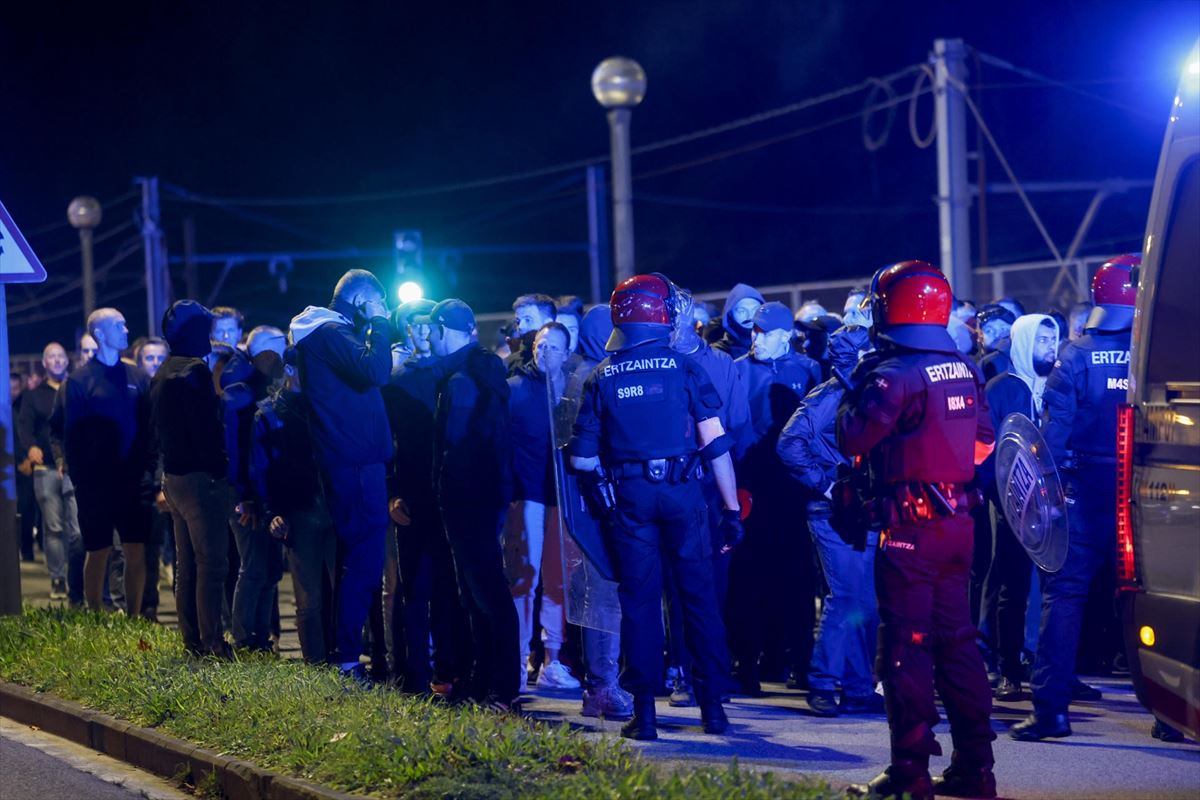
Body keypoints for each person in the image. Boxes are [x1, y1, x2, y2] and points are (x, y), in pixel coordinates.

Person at [839, 261, 997, 800]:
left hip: (909, 530)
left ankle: (909, 774)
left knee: (905, 648)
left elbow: (852, 440)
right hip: (959, 525)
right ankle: (975, 768)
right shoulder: (964, 368)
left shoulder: (892, 374)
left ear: (888, 308)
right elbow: (983, 446)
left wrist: (852, 384)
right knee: (959, 644)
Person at [569, 273, 742, 741]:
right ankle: (713, 711)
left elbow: (582, 457)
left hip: (630, 500)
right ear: (662, 315)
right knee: (699, 601)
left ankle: (644, 715)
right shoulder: (686, 368)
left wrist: (604, 496)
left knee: (640, 605)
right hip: (685, 495)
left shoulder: (602, 376)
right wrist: (731, 510)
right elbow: (716, 445)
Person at [1011, 256, 1137, 742]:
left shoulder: (1076, 355)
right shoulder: (1157, 352)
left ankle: (1051, 713)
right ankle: (1173, 716)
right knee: (1152, 601)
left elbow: (1052, 440)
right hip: (1147, 496)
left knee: (1063, 599)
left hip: (1084, 494)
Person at [290, 269, 394, 676]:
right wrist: (382, 323)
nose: (379, 313)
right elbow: (376, 371)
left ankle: (348, 654)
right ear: (363, 299)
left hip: (348, 461)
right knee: (364, 563)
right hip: (354, 463)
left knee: (356, 562)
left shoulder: (325, 333)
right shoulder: (329, 333)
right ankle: (348, 660)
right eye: (376, 304)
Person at [777, 325, 882, 717]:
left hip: (861, 510)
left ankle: (857, 687)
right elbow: (789, 443)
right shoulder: (829, 396)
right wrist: (825, 485)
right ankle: (821, 683)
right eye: (867, 348)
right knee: (845, 599)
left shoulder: (864, 396)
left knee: (864, 603)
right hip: (832, 511)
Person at [425, 298, 521, 709]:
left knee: (485, 593)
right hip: (486, 496)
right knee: (477, 593)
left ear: (446, 329)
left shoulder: (461, 380)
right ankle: (486, 681)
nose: (427, 338)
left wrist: (444, 487)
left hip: (469, 500)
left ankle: (501, 686)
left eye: (431, 330)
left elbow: (455, 446)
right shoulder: (481, 369)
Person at [728, 302, 821, 695]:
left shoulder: (808, 369)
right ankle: (747, 664)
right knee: (748, 578)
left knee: (797, 580)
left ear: (785, 335)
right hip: (752, 489)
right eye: (754, 331)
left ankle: (798, 662)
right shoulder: (738, 369)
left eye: (764, 332)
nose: (756, 338)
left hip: (793, 491)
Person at [383, 299, 473, 695]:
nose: (421, 333)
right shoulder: (398, 380)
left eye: (427, 326)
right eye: (413, 326)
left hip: (449, 494)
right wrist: (392, 493)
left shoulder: (451, 376)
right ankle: (411, 674)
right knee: (412, 589)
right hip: (413, 493)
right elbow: (387, 442)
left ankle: (449, 671)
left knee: (449, 588)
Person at [665, 288, 750, 704]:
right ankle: (683, 671)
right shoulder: (657, 361)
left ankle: (711, 673)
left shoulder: (720, 364)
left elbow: (736, 426)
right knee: (678, 585)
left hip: (712, 488)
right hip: (671, 488)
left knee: (714, 585)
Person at [50, 308, 154, 617]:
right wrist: (80, 478)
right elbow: (70, 434)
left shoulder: (137, 376)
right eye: (118, 325)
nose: (126, 329)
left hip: (134, 480)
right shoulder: (79, 381)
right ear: (100, 334)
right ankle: (94, 616)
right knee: (98, 550)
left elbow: (150, 428)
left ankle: (133, 616)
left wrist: (149, 472)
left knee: (136, 549)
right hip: (95, 483)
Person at [978, 314, 1058, 701]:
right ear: (1024, 342)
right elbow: (986, 450)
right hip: (1012, 503)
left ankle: (1054, 668)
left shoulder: (1060, 385)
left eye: (1053, 339)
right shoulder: (1001, 389)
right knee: (1013, 585)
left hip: (1055, 509)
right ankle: (1008, 668)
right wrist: (1002, 496)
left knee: (1056, 590)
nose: (1050, 347)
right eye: (1042, 340)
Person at [152, 300, 232, 657]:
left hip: (174, 477)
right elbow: (207, 430)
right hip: (200, 479)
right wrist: (222, 468)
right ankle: (213, 641)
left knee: (186, 564)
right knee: (212, 563)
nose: (211, 336)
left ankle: (192, 641)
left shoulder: (163, 371)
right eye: (206, 329)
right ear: (193, 332)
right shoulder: (194, 371)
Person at [504, 322, 580, 691]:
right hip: (528, 494)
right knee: (524, 580)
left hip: (562, 498)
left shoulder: (572, 392)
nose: (544, 352)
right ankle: (517, 662)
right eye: (539, 345)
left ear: (566, 353)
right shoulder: (515, 390)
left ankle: (552, 660)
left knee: (558, 582)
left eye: (552, 347)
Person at [252, 347, 337, 663]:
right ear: (289, 370)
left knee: (337, 590)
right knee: (309, 596)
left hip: (332, 506)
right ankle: (316, 664)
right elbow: (260, 469)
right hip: (298, 511)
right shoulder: (269, 413)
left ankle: (339, 658)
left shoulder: (324, 405)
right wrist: (271, 512)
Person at [227, 326, 287, 652]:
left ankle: (259, 638)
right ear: (266, 353)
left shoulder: (261, 389)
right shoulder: (241, 393)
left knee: (270, 571)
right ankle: (243, 640)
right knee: (253, 568)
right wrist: (243, 497)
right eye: (280, 348)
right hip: (249, 498)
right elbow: (236, 451)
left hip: (265, 495)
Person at [18, 343, 83, 603]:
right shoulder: (34, 396)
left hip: (72, 467)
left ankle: (75, 576)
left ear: (66, 361)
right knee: (54, 527)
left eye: (60, 356)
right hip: (45, 469)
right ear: (44, 363)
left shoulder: (75, 388)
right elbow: (24, 427)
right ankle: (57, 577)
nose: (56, 361)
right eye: (51, 357)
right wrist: (31, 448)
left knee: (76, 529)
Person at [711, 283, 764, 360]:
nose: (750, 316)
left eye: (755, 309)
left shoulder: (778, 344)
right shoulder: (718, 353)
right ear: (730, 314)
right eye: (741, 311)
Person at [506, 293, 557, 373]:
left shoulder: (572, 365)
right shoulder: (508, 365)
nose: (520, 327)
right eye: (518, 321)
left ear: (548, 323)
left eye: (528, 320)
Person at [976, 304, 1016, 382]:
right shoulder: (971, 366)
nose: (998, 335)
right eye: (989, 330)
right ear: (979, 336)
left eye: (1004, 329)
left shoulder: (1022, 364)